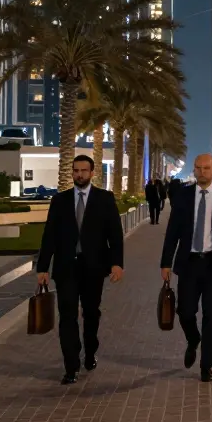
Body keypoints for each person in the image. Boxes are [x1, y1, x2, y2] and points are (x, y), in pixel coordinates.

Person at [36, 155, 124, 385]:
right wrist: (43, 267)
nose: (79, 175)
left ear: (92, 173)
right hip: (66, 267)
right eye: (76, 170)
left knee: (91, 312)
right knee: (67, 315)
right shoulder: (60, 201)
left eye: (84, 171)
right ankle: (71, 365)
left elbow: (115, 234)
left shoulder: (104, 199)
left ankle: (91, 350)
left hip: (94, 267)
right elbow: (49, 236)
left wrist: (117, 263)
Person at [160, 153, 212, 382]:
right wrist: (166, 262)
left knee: (211, 315)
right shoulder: (183, 195)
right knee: (185, 312)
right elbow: (173, 231)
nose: (201, 172)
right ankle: (193, 338)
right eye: (198, 168)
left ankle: (206, 365)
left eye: (206, 168)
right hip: (188, 263)